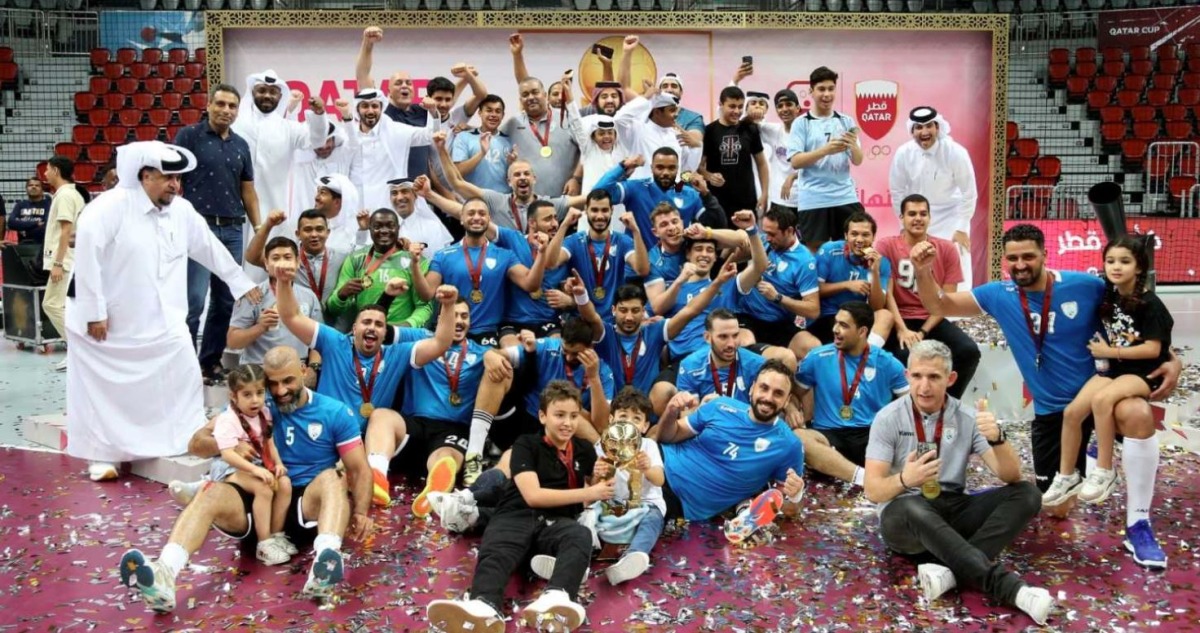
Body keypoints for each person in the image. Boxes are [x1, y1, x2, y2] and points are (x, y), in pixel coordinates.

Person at [913, 223, 1181, 568]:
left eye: (1029, 256)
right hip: (1052, 412)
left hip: (1100, 391)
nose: (1021, 263)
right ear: (1004, 260)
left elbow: (1136, 314)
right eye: (1013, 258)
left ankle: (1138, 523)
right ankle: (1082, 465)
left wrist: (1172, 359)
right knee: (1055, 509)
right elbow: (939, 302)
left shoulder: (1087, 286)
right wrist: (923, 270)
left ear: (1044, 255)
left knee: (1138, 415)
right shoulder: (999, 294)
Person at [118, 346, 376, 611]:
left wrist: (361, 512)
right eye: (272, 384)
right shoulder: (252, 406)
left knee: (335, 477)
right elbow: (196, 443)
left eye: (287, 381)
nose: (280, 391)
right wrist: (226, 445)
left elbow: (359, 469)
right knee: (210, 490)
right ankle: (164, 574)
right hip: (256, 503)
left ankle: (325, 564)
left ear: (303, 370)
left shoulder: (334, 412)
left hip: (304, 505)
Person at [67, 141, 261, 480]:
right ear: (145, 176)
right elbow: (87, 261)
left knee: (184, 372)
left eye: (178, 179)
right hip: (113, 323)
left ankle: (181, 437)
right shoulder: (109, 208)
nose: (176, 185)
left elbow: (210, 248)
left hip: (166, 320)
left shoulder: (182, 211)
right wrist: (93, 312)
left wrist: (241, 283)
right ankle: (107, 455)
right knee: (107, 391)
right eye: (168, 178)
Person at [863, 340, 1052, 626]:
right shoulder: (887, 418)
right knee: (912, 506)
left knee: (1027, 494)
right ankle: (1012, 590)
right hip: (904, 518)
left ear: (950, 379)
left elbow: (1010, 476)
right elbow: (873, 490)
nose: (924, 386)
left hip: (952, 508)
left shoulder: (967, 417)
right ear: (907, 376)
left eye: (934, 377)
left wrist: (998, 438)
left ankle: (948, 572)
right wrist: (905, 479)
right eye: (917, 376)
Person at [425, 381, 612, 633]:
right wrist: (590, 491)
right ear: (543, 416)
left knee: (580, 535)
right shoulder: (526, 445)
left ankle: (557, 597)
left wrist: (601, 476)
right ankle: (484, 605)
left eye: (573, 416)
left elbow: (595, 490)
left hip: (556, 522)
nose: (567, 423)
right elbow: (533, 495)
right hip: (517, 513)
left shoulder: (584, 449)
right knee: (497, 551)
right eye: (559, 415)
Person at [274, 259, 460, 507]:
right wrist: (285, 282)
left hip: (367, 443)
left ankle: (374, 479)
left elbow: (440, 343)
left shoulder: (397, 353)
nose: (372, 328)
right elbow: (291, 315)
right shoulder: (335, 342)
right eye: (366, 322)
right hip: (327, 438)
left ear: (385, 333)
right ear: (354, 327)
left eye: (379, 325)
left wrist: (447, 306)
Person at [1044, 237, 1174, 507]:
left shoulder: (1151, 305)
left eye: (1125, 262)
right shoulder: (1110, 295)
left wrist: (1110, 352)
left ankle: (1105, 470)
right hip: (1113, 370)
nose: (1116, 267)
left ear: (1139, 268)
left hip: (1142, 373)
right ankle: (1067, 475)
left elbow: (1152, 349)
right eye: (1110, 261)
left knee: (1101, 401)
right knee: (1072, 413)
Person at [390, 297, 512, 516]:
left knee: (445, 459)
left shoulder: (481, 351)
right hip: (413, 426)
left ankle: (437, 489)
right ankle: (374, 471)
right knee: (381, 416)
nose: (459, 321)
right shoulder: (420, 338)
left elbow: (510, 366)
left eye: (464, 316)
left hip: (451, 432)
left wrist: (496, 354)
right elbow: (383, 332)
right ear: (440, 319)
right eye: (453, 315)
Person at [174, 83, 262, 382]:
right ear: (209, 105)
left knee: (226, 300)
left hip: (234, 229)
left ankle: (209, 362)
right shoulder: (189, 136)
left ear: (237, 111)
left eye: (232, 106)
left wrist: (259, 228)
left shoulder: (241, 145)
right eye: (220, 104)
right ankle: (183, 364)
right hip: (198, 229)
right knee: (194, 300)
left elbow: (247, 190)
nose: (226, 110)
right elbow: (173, 179)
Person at [656, 359, 806, 522]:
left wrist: (797, 496)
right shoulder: (720, 405)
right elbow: (667, 436)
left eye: (778, 393)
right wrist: (671, 410)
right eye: (764, 388)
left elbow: (789, 509)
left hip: (677, 500)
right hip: (657, 459)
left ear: (787, 400)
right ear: (752, 387)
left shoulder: (789, 445)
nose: (768, 398)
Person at [412, 197, 556, 345]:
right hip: (451, 331)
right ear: (461, 218)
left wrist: (542, 253)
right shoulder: (443, 255)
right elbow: (426, 294)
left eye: (481, 214)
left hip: (488, 334)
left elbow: (530, 285)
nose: (476, 217)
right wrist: (415, 264)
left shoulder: (504, 255)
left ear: (489, 219)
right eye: (471, 213)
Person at [875, 194, 979, 400]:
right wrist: (902, 329)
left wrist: (923, 331)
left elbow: (948, 300)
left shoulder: (946, 249)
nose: (918, 218)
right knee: (904, 357)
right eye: (912, 214)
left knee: (969, 351)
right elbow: (887, 295)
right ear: (901, 218)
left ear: (930, 218)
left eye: (923, 214)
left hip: (932, 317)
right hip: (900, 318)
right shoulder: (886, 246)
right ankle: (905, 411)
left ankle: (946, 403)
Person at [795, 301, 909, 486]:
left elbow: (912, 403)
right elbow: (794, 393)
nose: (835, 329)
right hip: (830, 434)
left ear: (862, 331)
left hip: (872, 434)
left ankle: (853, 471)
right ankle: (864, 478)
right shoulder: (817, 358)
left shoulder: (887, 362)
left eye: (843, 325)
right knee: (801, 438)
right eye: (836, 322)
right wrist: (792, 407)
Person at [204, 364, 295, 566]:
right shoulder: (228, 419)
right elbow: (227, 454)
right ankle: (263, 544)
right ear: (233, 396)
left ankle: (276, 534)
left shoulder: (265, 412)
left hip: (255, 463)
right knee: (263, 487)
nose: (255, 400)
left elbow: (269, 441)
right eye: (247, 394)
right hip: (228, 468)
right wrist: (256, 470)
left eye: (260, 393)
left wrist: (278, 464)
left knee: (285, 483)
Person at [230, 70, 326, 244]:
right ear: (252, 92)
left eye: (273, 92)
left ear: (280, 96)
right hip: (235, 210)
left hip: (273, 212)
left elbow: (317, 140)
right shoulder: (235, 124)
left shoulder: (288, 128)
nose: (267, 96)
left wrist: (319, 115)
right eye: (262, 90)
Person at [889, 106, 978, 289]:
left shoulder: (955, 152)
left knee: (957, 255)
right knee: (918, 257)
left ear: (937, 128)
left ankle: (957, 308)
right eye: (919, 127)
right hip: (918, 214)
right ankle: (920, 304)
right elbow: (897, 191)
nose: (924, 132)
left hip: (951, 214)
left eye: (928, 126)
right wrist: (903, 223)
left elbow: (969, 192)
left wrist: (961, 227)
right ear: (912, 131)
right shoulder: (903, 153)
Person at [787, 66, 864, 252]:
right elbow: (796, 161)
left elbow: (858, 160)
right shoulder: (801, 123)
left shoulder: (846, 121)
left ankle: (851, 282)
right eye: (821, 89)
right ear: (812, 92)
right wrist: (825, 150)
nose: (826, 94)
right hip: (813, 198)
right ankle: (818, 282)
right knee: (815, 251)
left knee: (853, 249)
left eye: (831, 89)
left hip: (844, 195)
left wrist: (852, 145)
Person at [592, 150, 726, 251]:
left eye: (671, 168)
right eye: (660, 167)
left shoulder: (690, 194)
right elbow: (597, 194)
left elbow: (719, 225)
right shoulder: (636, 188)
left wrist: (706, 194)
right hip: (638, 264)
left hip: (676, 267)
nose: (666, 172)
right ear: (652, 168)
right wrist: (623, 166)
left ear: (678, 169)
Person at [502, 35, 582, 197]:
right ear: (520, 100)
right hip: (528, 204)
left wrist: (576, 178)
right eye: (525, 95)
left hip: (566, 201)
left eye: (535, 92)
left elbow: (588, 150)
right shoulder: (513, 123)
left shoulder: (567, 118)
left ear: (545, 95)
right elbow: (490, 135)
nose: (530, 97)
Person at [735, 205, 821, 356]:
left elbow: (813, 310)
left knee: (814, 349)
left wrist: (777, 297)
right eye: (765, 232)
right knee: (743, 347)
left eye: (772, 234)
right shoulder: (763, 242)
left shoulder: (805, 261)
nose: (767, 238)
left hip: (779, 322)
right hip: (747, 316)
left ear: (789, 231)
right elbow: (737, 242)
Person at [548, 191, 649, 318]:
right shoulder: (574, 241)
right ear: (586, 210)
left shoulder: (622, 241)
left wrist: (635, 231)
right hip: (582, 319)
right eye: (594, 210)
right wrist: (564, 225)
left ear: (612, 210)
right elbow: (551, 263)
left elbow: (643, 270)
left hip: (613, 320)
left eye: (604, 210)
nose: (600, 216)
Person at [227, 236, 323, 369]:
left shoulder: (309, 296)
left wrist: (313, 367)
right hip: (259, 368)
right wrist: (260, 327)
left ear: (297, 262)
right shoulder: (252, 295)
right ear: (266, 263)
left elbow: (319, 340)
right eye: (276, 258)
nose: (281, 263)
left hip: (297, 368)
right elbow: (233, 342)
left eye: (287, 257)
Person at [327, 208, 431, 328]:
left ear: (398, 229)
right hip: (367, 333)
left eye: (390, 226)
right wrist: (342, 295)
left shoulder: (415, 261)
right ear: (370, 228)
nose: (384, 231)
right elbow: (333, 309)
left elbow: (424, 306)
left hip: (401, 337)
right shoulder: (356, 259)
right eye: (377, 226)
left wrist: (405, 327)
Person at [811, 211, 894, 347]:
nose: (859, 240)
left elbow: (877, 306)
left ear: (873, 237)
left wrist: (874, 272)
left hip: (860, 317)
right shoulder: (829, 250)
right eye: (854, 234)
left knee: (885, 315)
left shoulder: (881, 262)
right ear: (846, 235)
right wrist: (846, 285)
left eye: (865, 235)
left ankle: (866, 356)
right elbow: (814, 291)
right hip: (830, 315)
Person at [245, 208, 349, 308]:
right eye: (308, 230)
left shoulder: (343, 257)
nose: (314, 234)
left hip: (333, 323)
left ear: (328, 233)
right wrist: (268, 225)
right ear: (297, 234)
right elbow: (252, 257)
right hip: (297, 321)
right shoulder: (287, 259)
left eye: (319, 229)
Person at [699, 86, 769, 220]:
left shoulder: (750, 129)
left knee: (747, 240)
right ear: (721, 105)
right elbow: (698, 168)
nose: (737, 111)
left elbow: (762, 164)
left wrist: (765, 193)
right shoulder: (709, 131)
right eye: (732, 106)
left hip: (746, 199)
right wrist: (709, 176)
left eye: (740, 106)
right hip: (716, 201)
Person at [42, 155, 85, 367]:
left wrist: (58, 263)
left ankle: (78, 349)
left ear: (56, 171)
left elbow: (66, 230)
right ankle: (76, 350)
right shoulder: (67, 194)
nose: (45, 173)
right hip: (68, 259)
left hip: (65, 260)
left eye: (47, 169)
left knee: (51, 304)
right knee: (59, 305)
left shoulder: (65, 196)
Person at [451, 94, 513, 194]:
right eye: (489, 110)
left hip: (503, 200)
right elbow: (458, 172)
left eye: (498, 111)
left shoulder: (510, 140)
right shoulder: (463, 137)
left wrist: (513, 164)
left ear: (503, 115)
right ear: (480, 113)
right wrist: (482, 154)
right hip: (473, 200)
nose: (493, 114)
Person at [391, 177, 454, 254]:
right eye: (394, 193)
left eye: (404, 192)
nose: (399, 198)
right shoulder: (385, 229)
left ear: (415, 195)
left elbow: (437, 260)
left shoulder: (432, 226)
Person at [4, 178, 52, 247]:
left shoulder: (48, 205)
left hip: (43, 246)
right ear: (26, 189)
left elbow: (46, 227)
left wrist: (22, 226)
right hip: (22, 245)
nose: (33, 187)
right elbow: (11, 223)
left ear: (42, 190)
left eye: (37, 185)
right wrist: (36, 224)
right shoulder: (20, 205)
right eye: (30, 185)